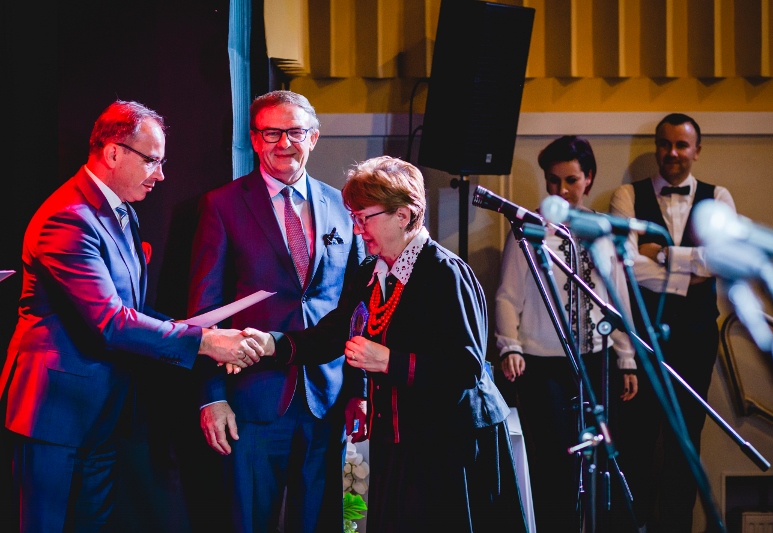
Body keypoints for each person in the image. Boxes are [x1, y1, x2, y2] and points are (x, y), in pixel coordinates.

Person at [0, 100, 265, 532]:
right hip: (56, 417)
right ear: (112, 153)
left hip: (103, 414)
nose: (160, 175)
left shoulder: (121, 210)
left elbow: (133, 310)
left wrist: (201, 332)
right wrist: (204, 342)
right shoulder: (67, 219)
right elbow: (110, 322)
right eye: (152, 161)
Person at [238, 155, 528, 532]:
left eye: (365, 218)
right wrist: (270, 343)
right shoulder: (371, 273)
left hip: (449, 444)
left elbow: (466, 368)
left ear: (403, 215)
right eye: (354, 218)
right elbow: (332, 334)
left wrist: (390, 361)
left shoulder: (445, 273)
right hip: (401, 440)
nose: (357, 230)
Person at [188, 90, 365, 533]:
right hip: (250, 401)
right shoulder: (222, 206)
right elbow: (205, 312)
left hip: (327, 400)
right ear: (254, 139)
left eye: (295, 132)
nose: (284, 143)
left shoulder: (343, 207)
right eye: (271, 133)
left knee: (323, 524)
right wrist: (212, 396)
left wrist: (360, 390)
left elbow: (357, 309)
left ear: (314, 138)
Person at [495, 135, 638, 532]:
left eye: (571, 180)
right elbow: (507, 295)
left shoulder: (601, 230)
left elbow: (617, 297)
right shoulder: (530, 228)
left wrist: (626, 357)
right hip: (544, 362)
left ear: (588, 179)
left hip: (596, 359)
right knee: (557, 459)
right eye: (553, 181)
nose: (561, 189)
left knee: (601, 458)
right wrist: (510, 346)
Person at [609, 113, 736, 532]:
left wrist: (664, 255)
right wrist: (690, 271)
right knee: (636, 440)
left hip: (697, 339)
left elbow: (721, 260)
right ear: (657, 147)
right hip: (641, 339)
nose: (673, 153)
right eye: (665, 144)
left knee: (685, 439)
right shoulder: (627, 195)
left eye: (682, 145)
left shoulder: (719, 198)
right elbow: (626, 267)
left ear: (697, 150)